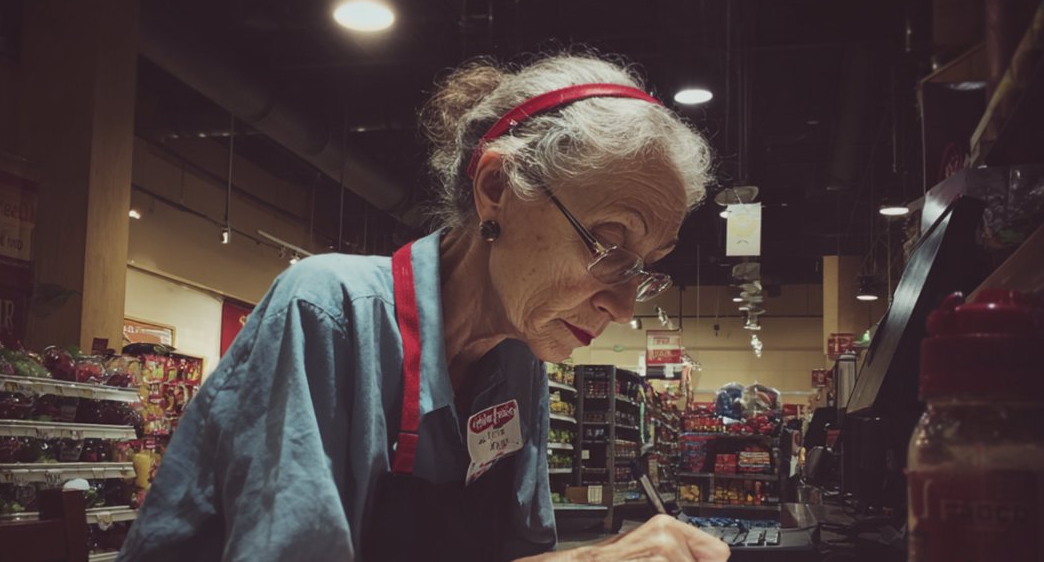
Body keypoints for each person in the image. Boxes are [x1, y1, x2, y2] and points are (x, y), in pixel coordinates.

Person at [118, 55, 728, 562]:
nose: (623, 305)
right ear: (496, 190)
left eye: (644, 266)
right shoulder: (328, 310)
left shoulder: (520, 363)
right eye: (610, 243)